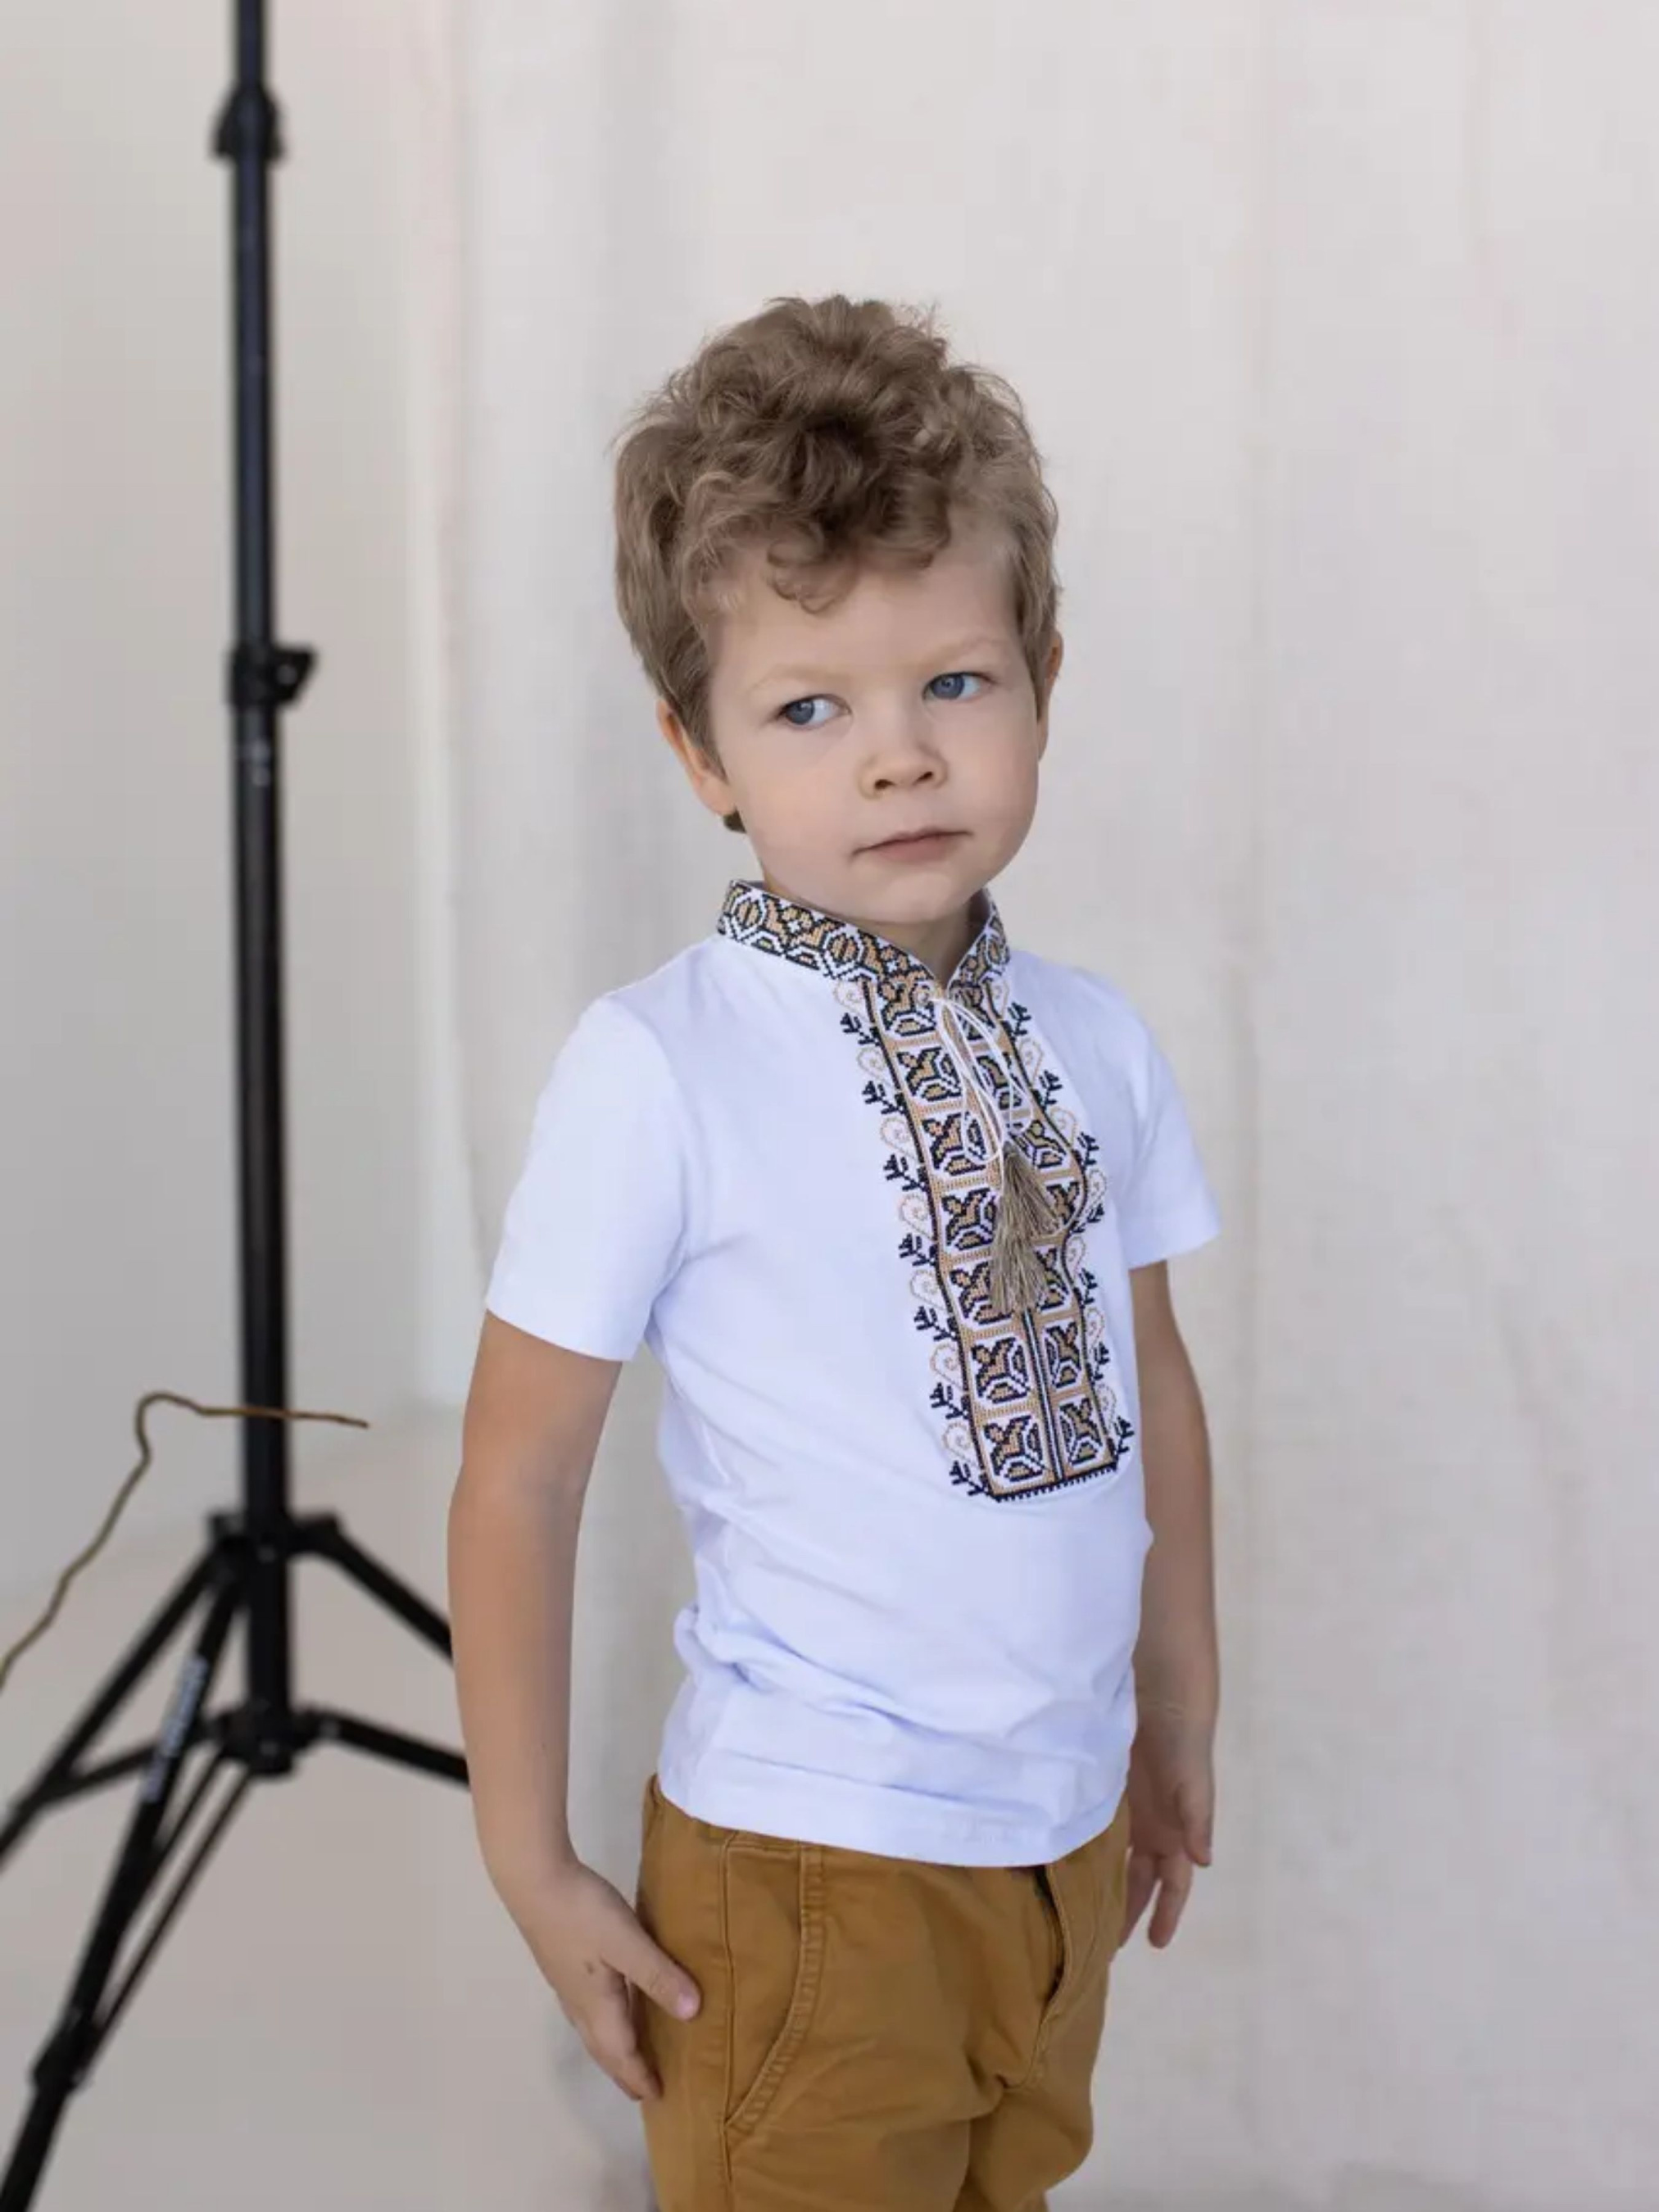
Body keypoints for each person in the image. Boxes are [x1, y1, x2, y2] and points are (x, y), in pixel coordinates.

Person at [447, 293, 1222, 2212]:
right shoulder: (659, 1066)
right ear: (697, 753)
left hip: (1056, 1847)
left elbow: (1153, 1385)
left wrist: (1174, 1703)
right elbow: (518, 1474)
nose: (896, 759)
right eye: (808, 709)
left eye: (951, 682)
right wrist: (527, 1860)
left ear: (1042, 679)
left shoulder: (1097, 1042)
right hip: (808, 1877)